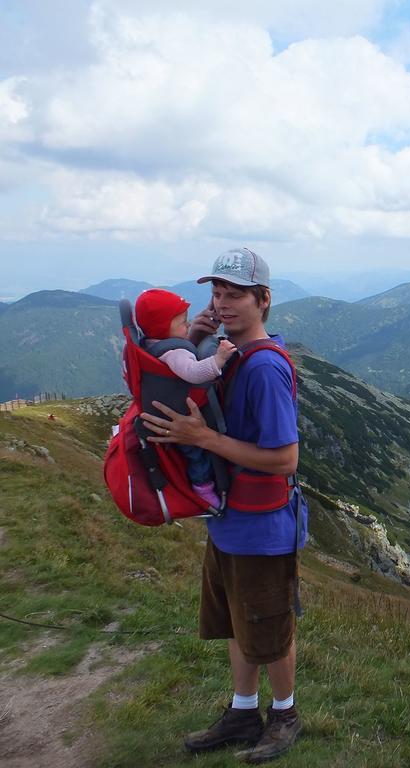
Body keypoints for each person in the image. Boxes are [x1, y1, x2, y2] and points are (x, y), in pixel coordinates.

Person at [141, 248, 307, 764]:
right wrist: (194, 336)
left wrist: (203, 439)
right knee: (240, 620)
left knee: (270, 625)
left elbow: (284, 458)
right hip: (231, 521)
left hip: (262, 526)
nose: (222, 302)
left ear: (263, 299)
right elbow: (181, 371)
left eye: (234, 293)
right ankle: (242, 712)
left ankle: (285, 715)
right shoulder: (227, 350)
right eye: (216, 293)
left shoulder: (262, 370)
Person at [134, 288, 237, 507]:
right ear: (164, 327)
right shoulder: (175, 353)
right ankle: (203, 488)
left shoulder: (151, 344)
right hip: (180, 418)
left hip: (167, 410)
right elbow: (194, 374)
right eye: (182, 322)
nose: (188, 325)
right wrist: (219, 358)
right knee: (197, 455)